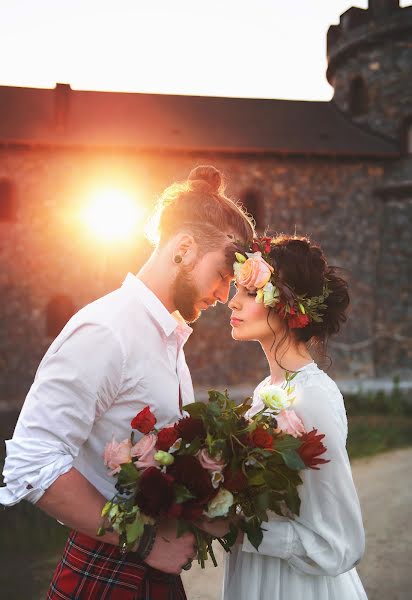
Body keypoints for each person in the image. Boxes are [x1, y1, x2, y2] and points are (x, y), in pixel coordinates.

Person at [0, 165, 254, 600]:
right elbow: (31, 464)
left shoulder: (167, 339)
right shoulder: (106, 330)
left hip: (149, 574)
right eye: (222, 275)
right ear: (185, 249)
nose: (223, 294)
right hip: (107, 569)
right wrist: (145, 540)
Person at [221, 234, 367, 600]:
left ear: (287, 307)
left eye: (250, 293)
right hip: (254, 576)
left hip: (293, 585)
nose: (231, 302)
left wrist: (240, 530)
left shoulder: (311, 397)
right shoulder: (263, 392)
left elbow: (341, 542)